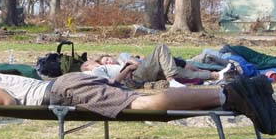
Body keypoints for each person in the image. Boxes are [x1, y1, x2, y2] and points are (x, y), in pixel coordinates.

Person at [0, 69, 276, 135]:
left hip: (60, 92)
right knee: (136, 101)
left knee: (138, 105)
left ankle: (230, 94)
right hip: (64, 85)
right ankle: (231, 96)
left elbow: (4, 101)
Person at [81, 44, 233, 88]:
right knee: (160, 47)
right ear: (87, 67)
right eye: (86, 64)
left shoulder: (114, 62)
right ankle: (172, 80)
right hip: (134, 77)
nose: (90, 62)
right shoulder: (96, 71)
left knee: (176, 70)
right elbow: (113, 84)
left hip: (140, 73)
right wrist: (127, 68)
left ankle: (216, 76)